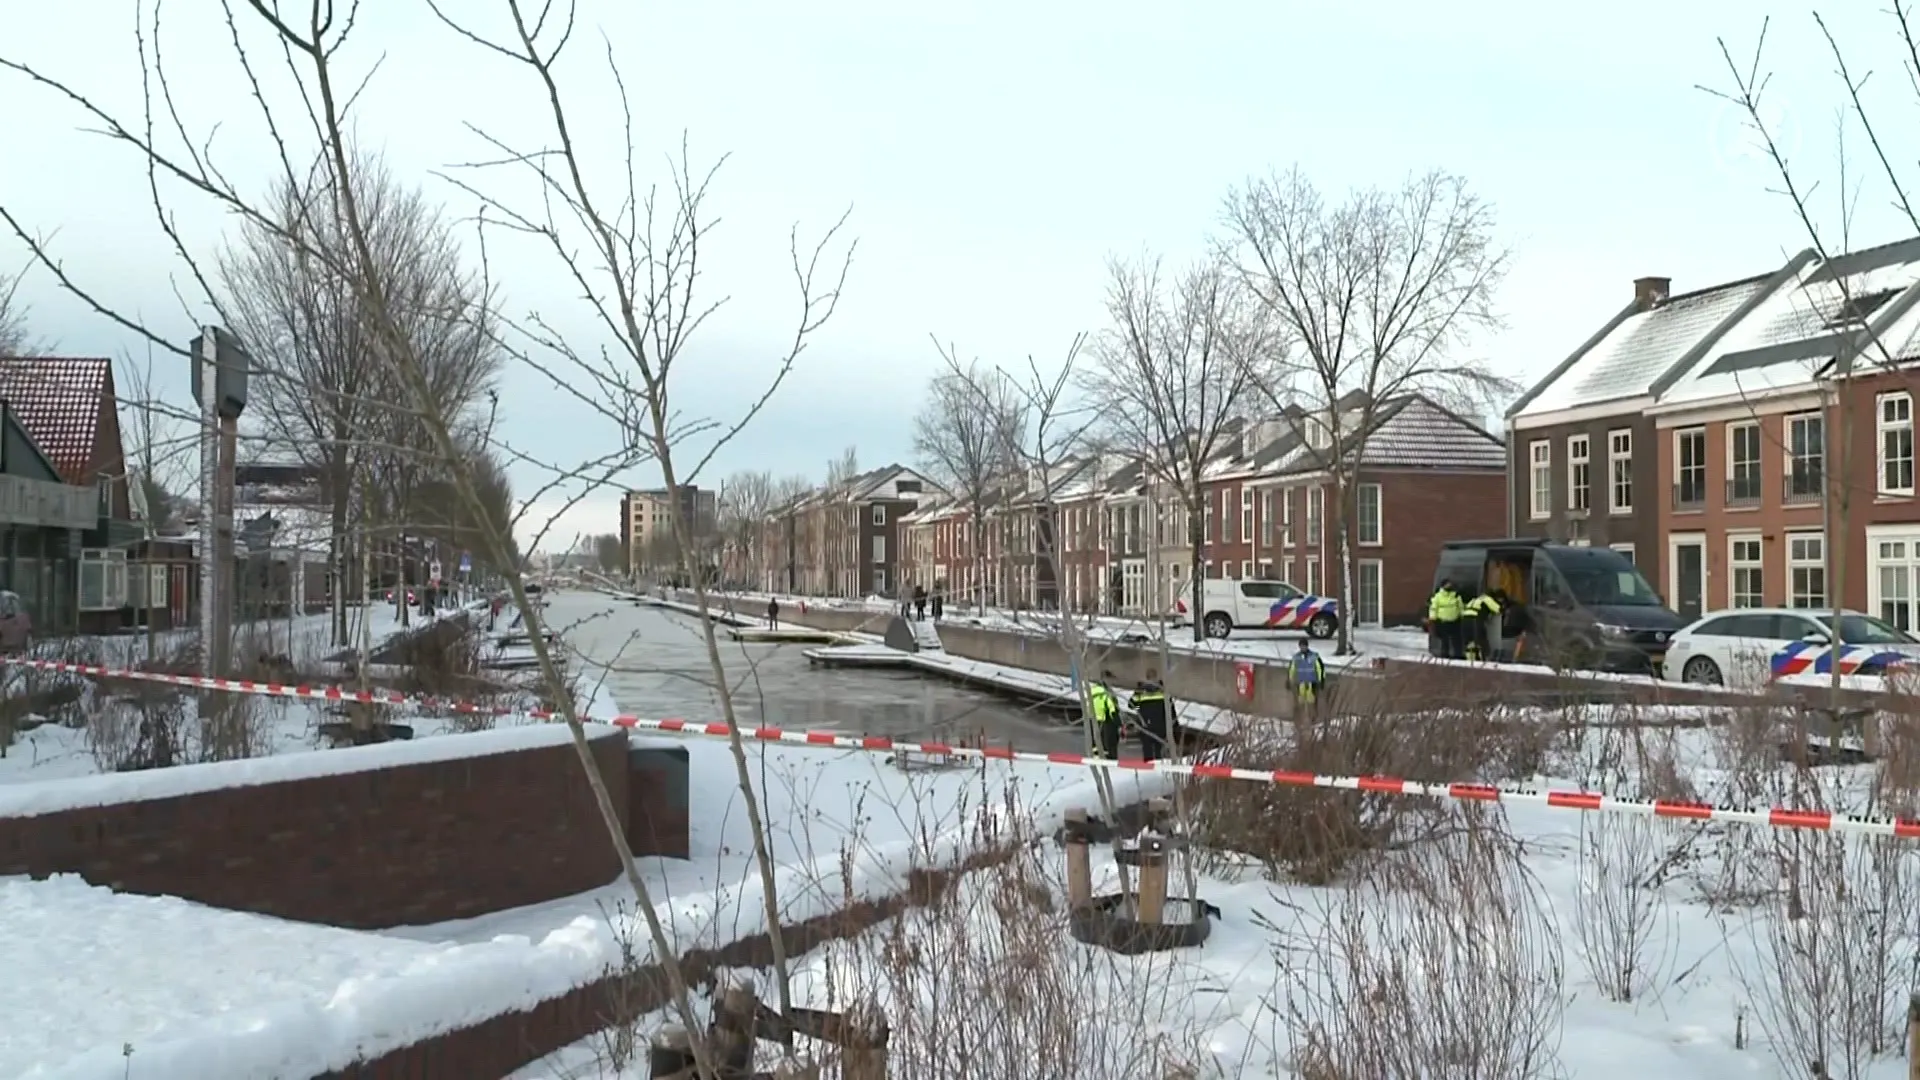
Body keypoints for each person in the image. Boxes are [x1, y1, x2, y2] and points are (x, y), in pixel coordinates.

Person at [1133, 671, 1174, 761]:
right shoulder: (1163, 691)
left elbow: (1132, 705)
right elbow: (1170, 709)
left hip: (1145, 725)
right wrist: (1173, 724)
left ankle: (1149, 765)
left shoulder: (1141, 691)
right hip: (1160, 726)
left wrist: (1137, 694)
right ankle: (1158, 764)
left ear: (1147, 678)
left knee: (1147, 750)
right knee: (1158, 749)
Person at [1085, 669, 1122, 759]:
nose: (1112, 682)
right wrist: (1119, 724)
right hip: (1106, 720)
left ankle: (1096, 760)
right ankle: (1110, 762)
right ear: (1106, 679)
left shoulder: (1093, 690)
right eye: (1110, 680)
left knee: (1096, 745)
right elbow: (1112, 709)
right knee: (1109, 746)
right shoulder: (1106, 692)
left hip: (1092, 719)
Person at [1288, 639, 1327, 722]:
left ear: (1307, 646)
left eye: (1304, 646)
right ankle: (1301, 718)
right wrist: (1289, 680)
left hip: (1312, 682)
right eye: (1301, 646)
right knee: (1300, 701)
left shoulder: (1314, 656)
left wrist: (1321, 680)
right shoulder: (1296, 657)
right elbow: (1291, 669)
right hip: (1300, 682)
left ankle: (1312, 718)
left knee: (1311, 701)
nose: (1302, 648)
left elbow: (1320, 669)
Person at [1462, 588, 1504, 661]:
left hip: (1465, 620)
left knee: (1469, 641)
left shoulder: (1475, 599)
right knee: (1481, 640)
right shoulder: (1487, 599)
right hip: (1475, 620)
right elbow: (1498, 609)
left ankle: (1470, 659)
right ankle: (1485, 658)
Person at [1427, 579, 1465, 659]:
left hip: (1455, 621)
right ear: (1443, 586)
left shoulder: (1456, 596)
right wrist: (1432, 619)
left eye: (1450, 584)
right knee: (1445, 639)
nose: (1449, 586)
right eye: (1447, 584)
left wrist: (1462, 616)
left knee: (1456, 639)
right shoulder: (1438, 596)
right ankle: (1445, 654)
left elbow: (1460, 607)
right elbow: (1433, 608)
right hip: (1442, 621)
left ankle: (1458, 654)